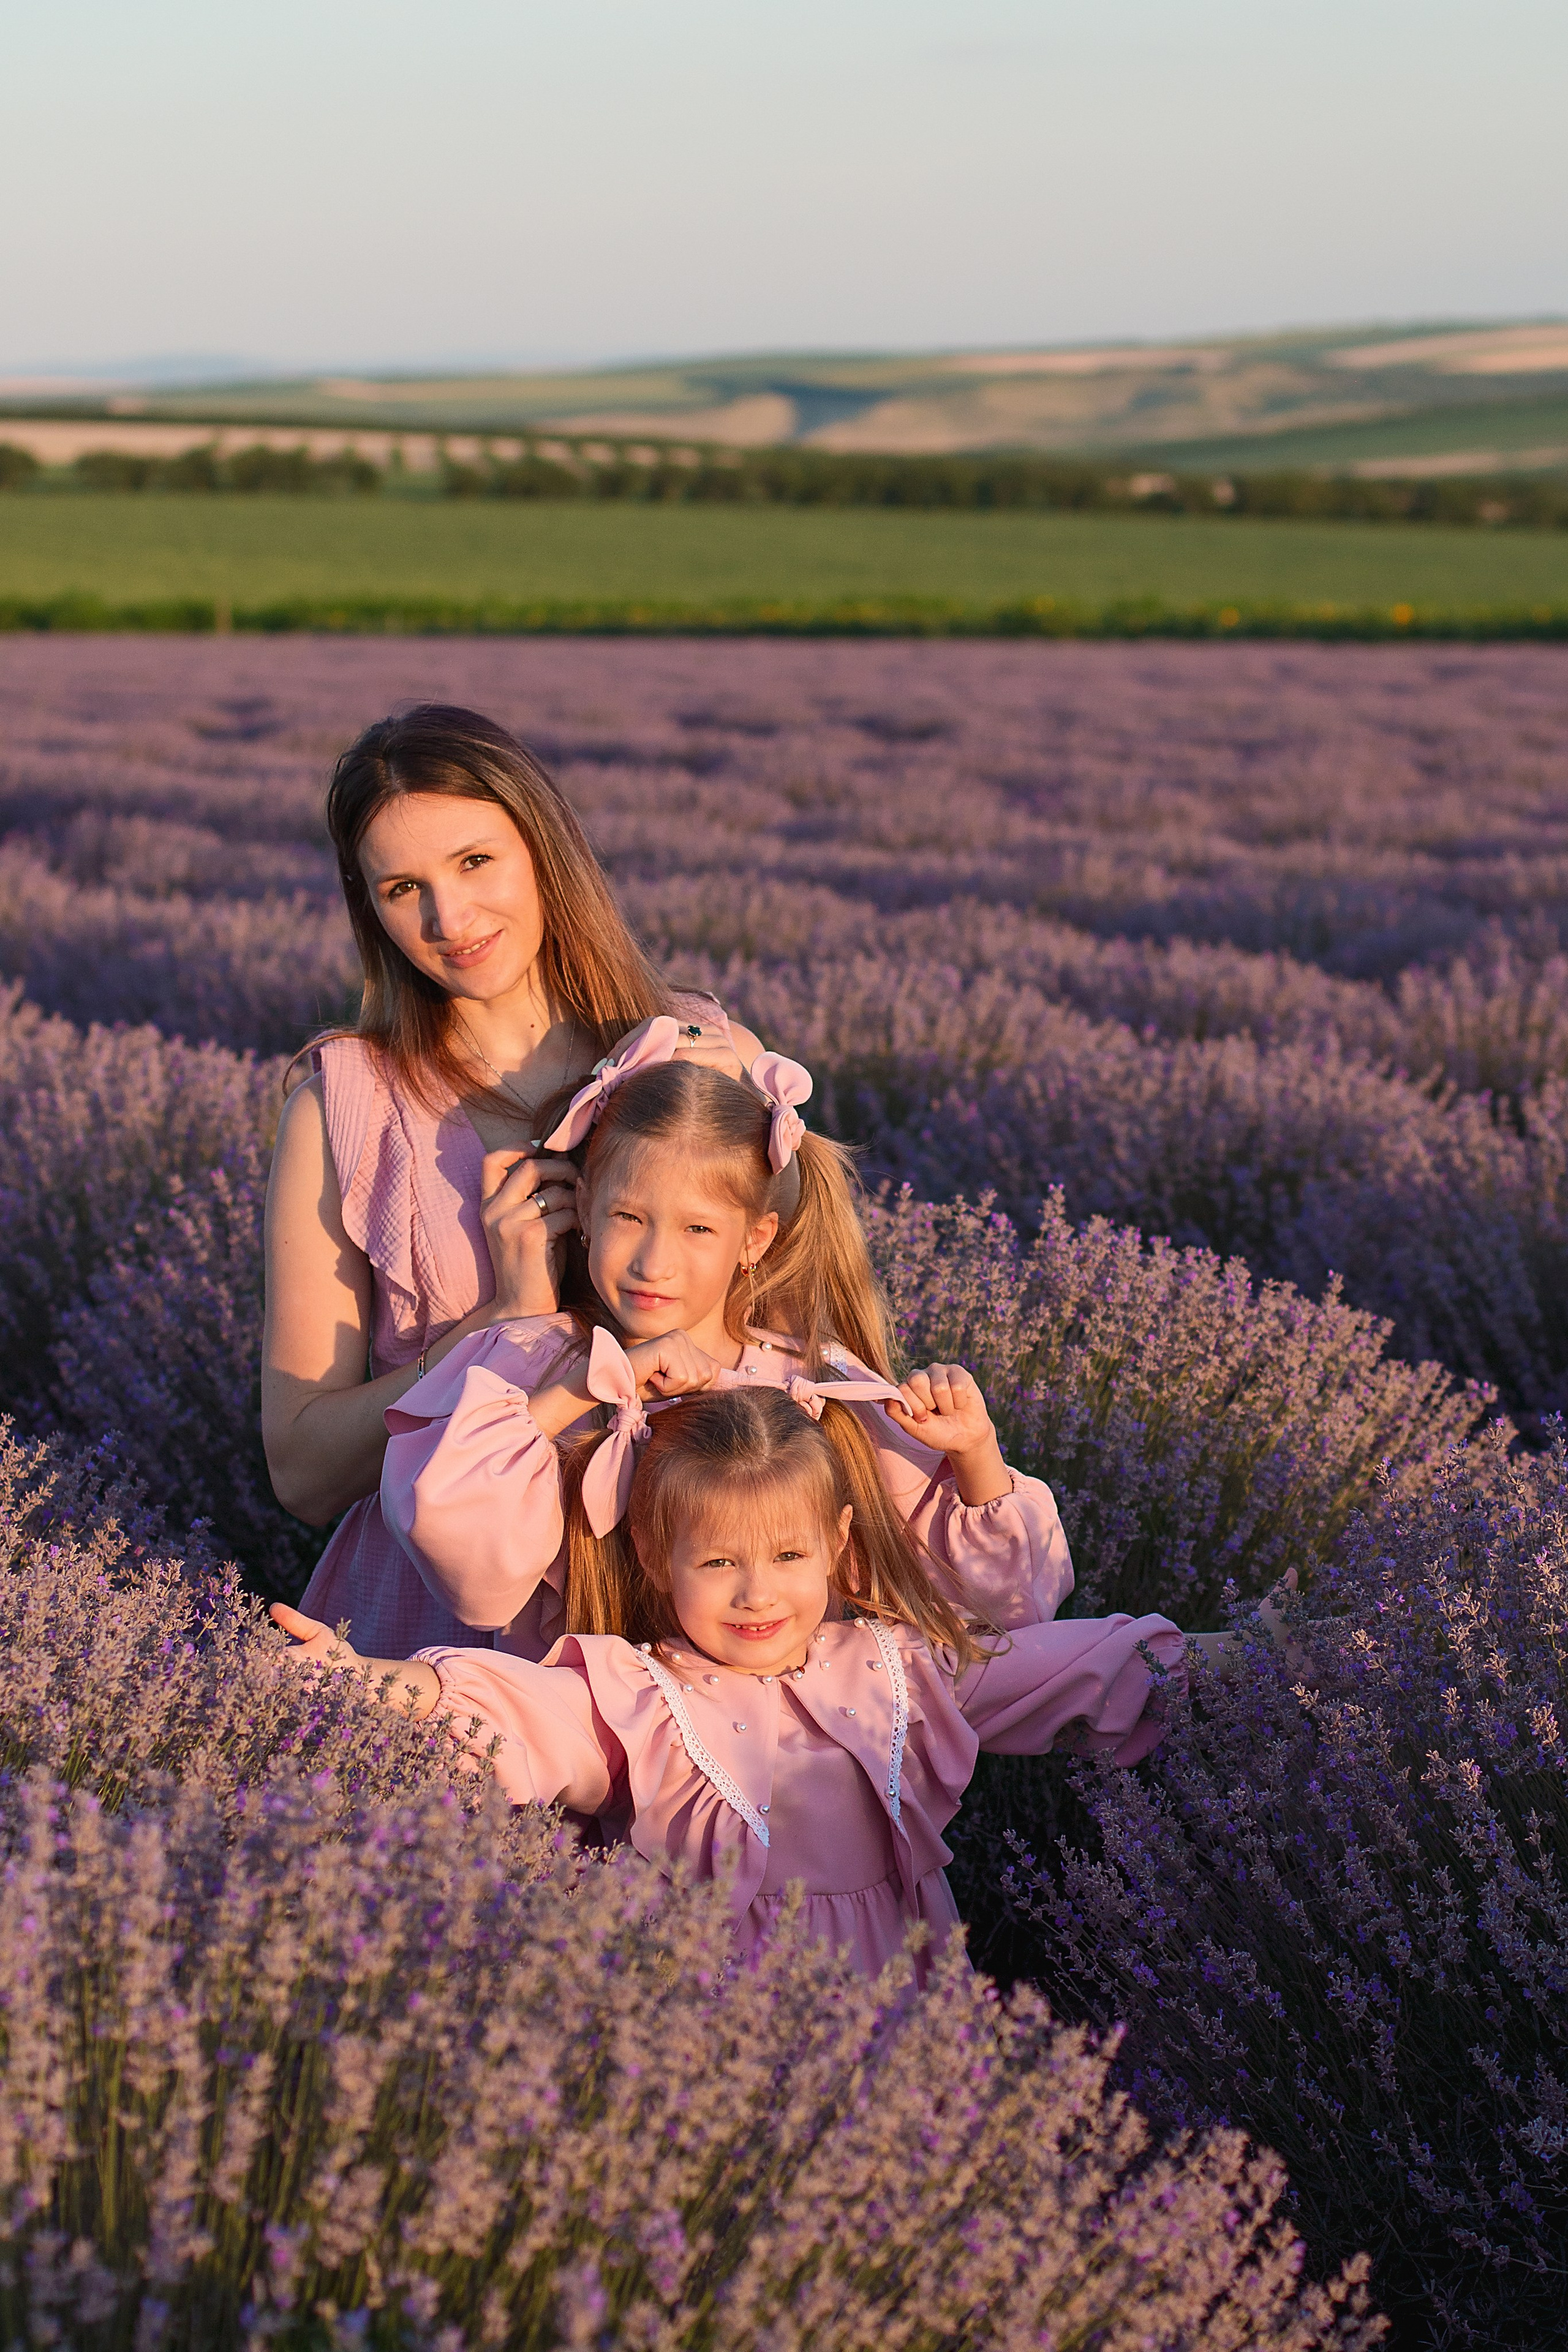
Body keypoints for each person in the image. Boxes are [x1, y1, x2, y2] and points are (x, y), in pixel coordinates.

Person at [274, 1380, 1191, 1982]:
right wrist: (366, 1684)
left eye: (788, 1556)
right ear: (654, 1556)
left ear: (836, 1544)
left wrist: (1240, 1660)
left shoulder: (896, 1670)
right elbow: (515, 1711)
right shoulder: (640, 1698)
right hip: (709, 2033)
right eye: (718, 1563)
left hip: (894, 2013)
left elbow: (1077, 1667)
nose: (758, 1594)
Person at [263, 703, 767, 1655]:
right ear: (368, 906)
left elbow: (804, 1348)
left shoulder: (704, 1056)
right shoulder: (344, 1108)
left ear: (544, 847)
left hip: (695, 1613)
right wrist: (496, 1324)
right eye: (403, 887)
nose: (449, 919)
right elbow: (303, 1474)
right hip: (445, 1624)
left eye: (475, 861)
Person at [375, 1044, 1075, 1660]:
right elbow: (467, 1574)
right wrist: (585, 1389)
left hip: (778, 1749)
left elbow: (1011, 1609)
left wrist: (976, 1455)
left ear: (755, 1239)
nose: (654, 1263)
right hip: (593, 1739)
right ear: (584, 1209)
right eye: (628, 1217)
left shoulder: (810, 1384)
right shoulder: (535, 1363)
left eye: (698, 1229)